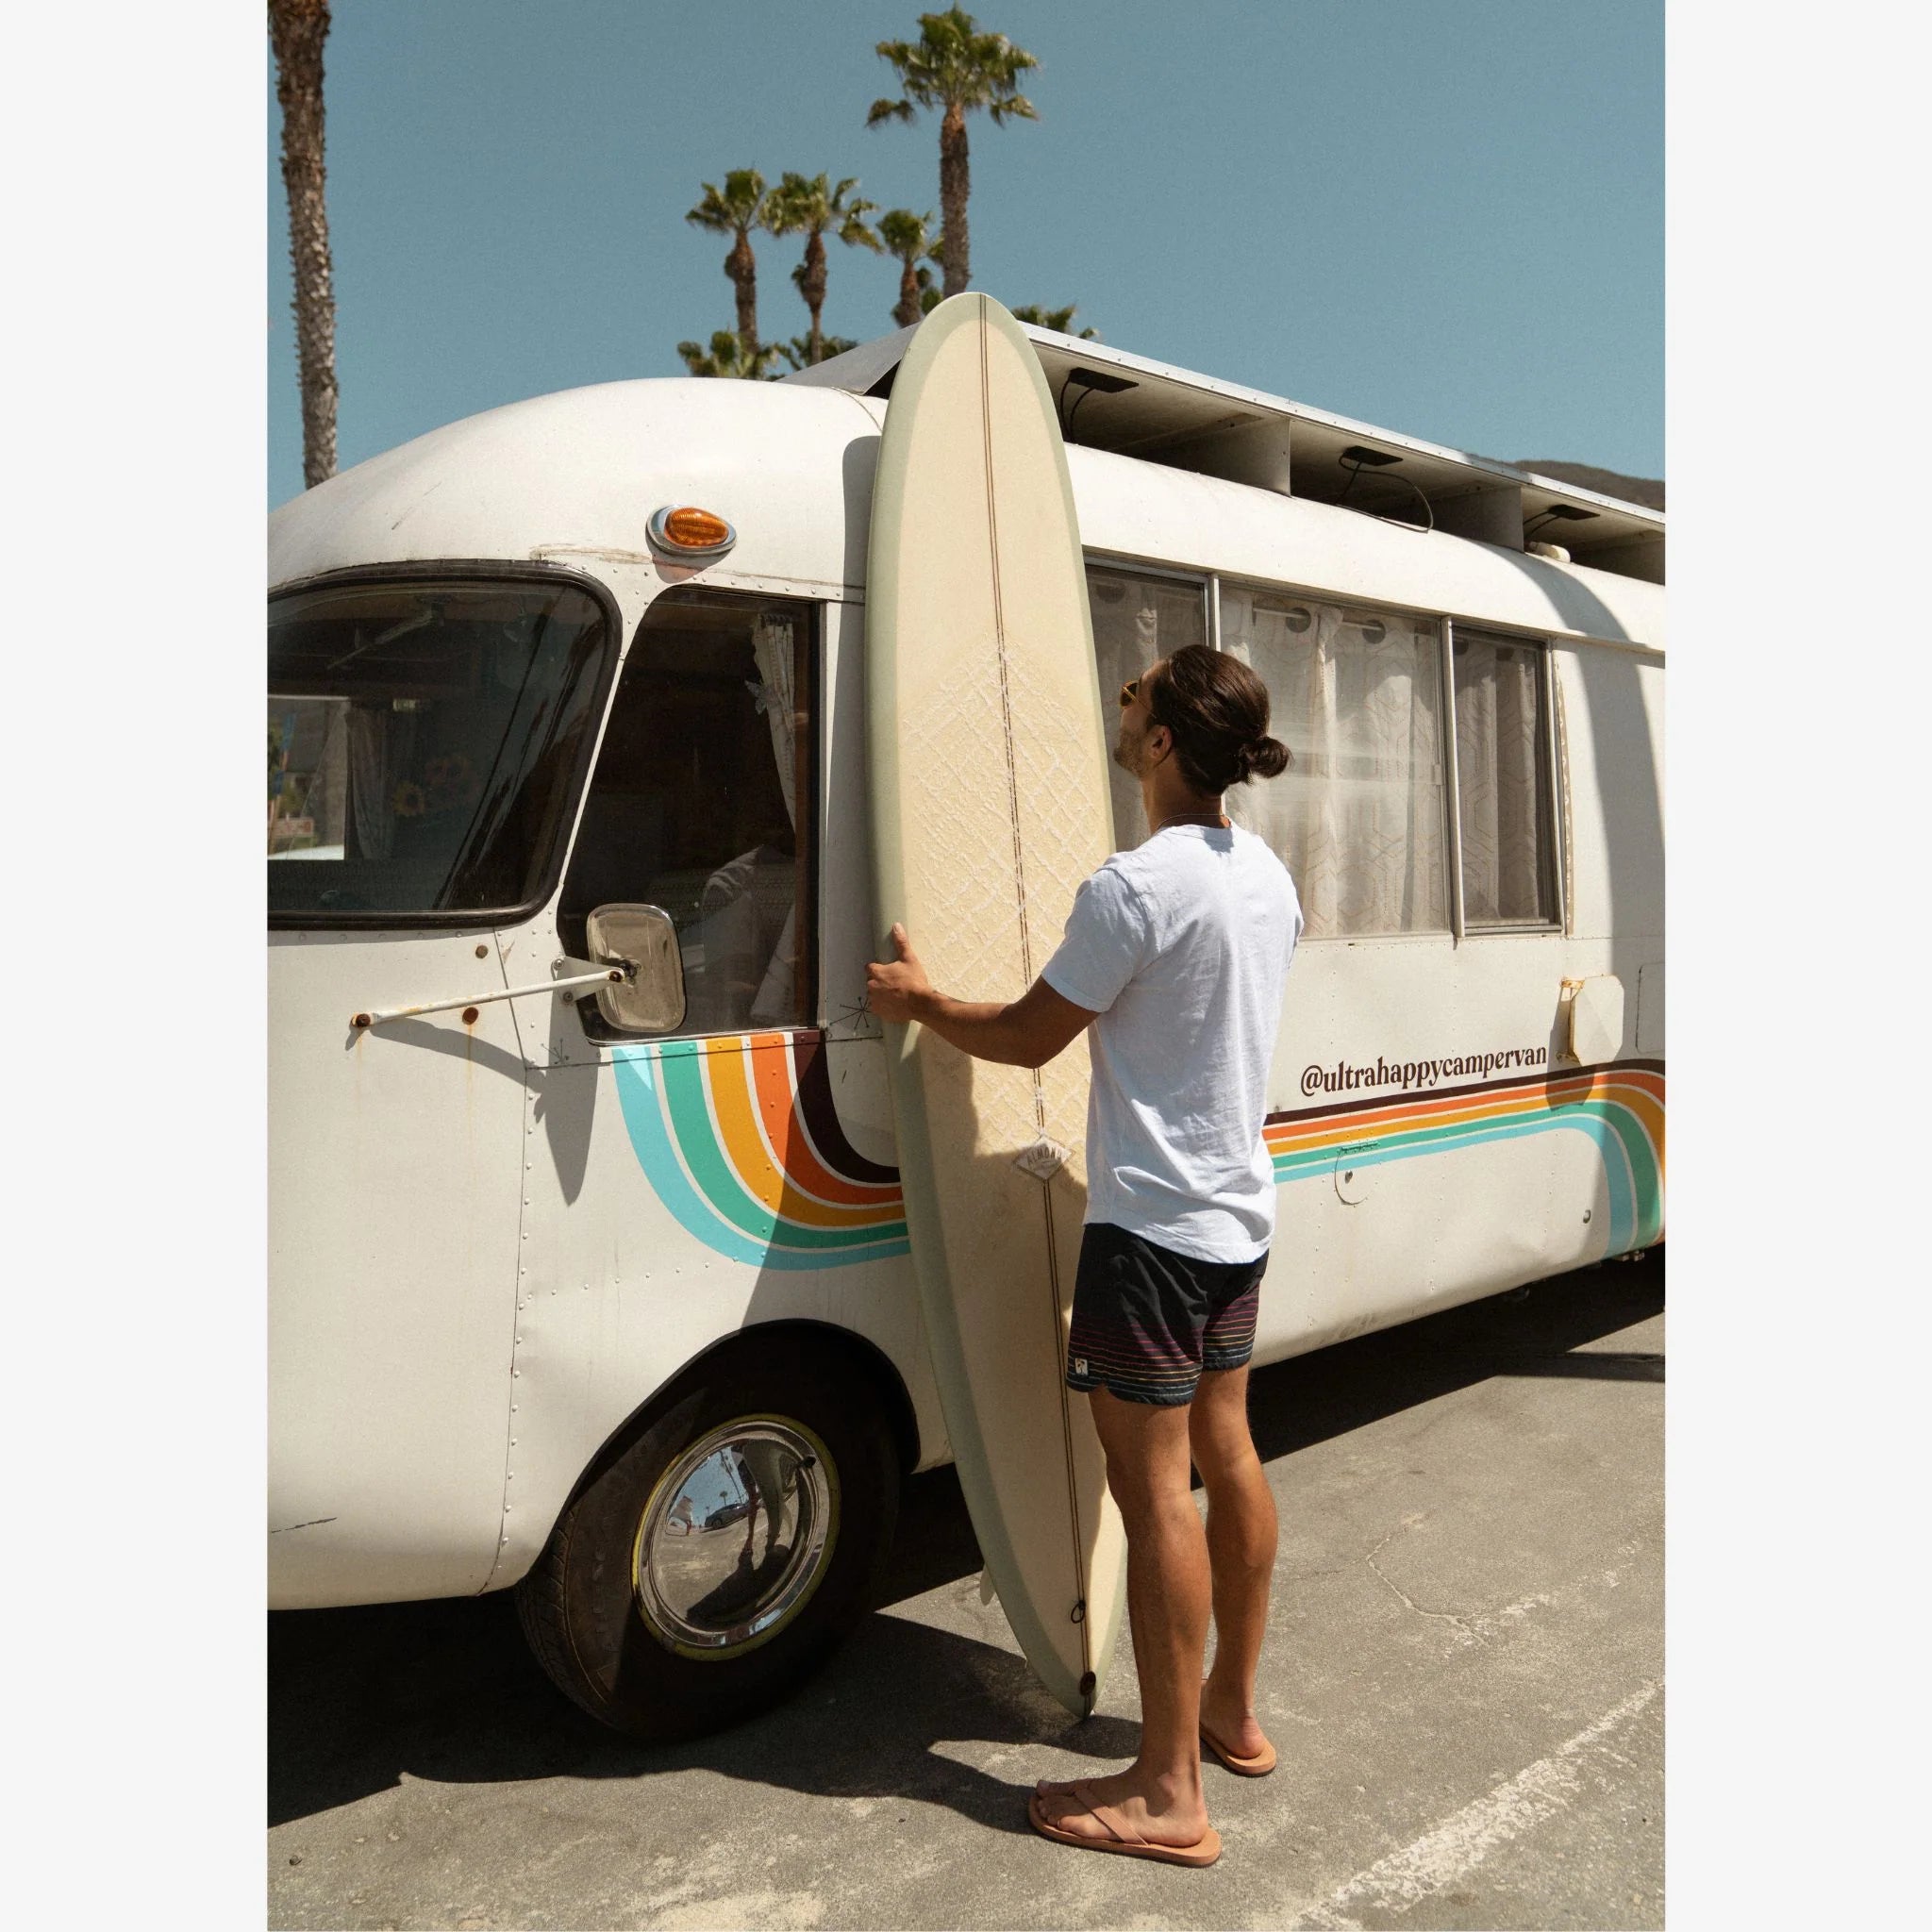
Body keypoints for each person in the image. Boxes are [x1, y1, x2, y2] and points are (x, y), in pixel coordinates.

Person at [866, 644, 1302, 1868]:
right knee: (1228, 1450)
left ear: (1162, 742)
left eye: (1133, 696)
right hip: (1236, 1218)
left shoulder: (1134, 887)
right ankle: (1230, 1715)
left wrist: (918, 1001)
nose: (1121, 704)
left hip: (1152, 1235)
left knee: (1152, 1492)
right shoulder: (1265, 875)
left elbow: (1025, 1037)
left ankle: (1168, 1794)